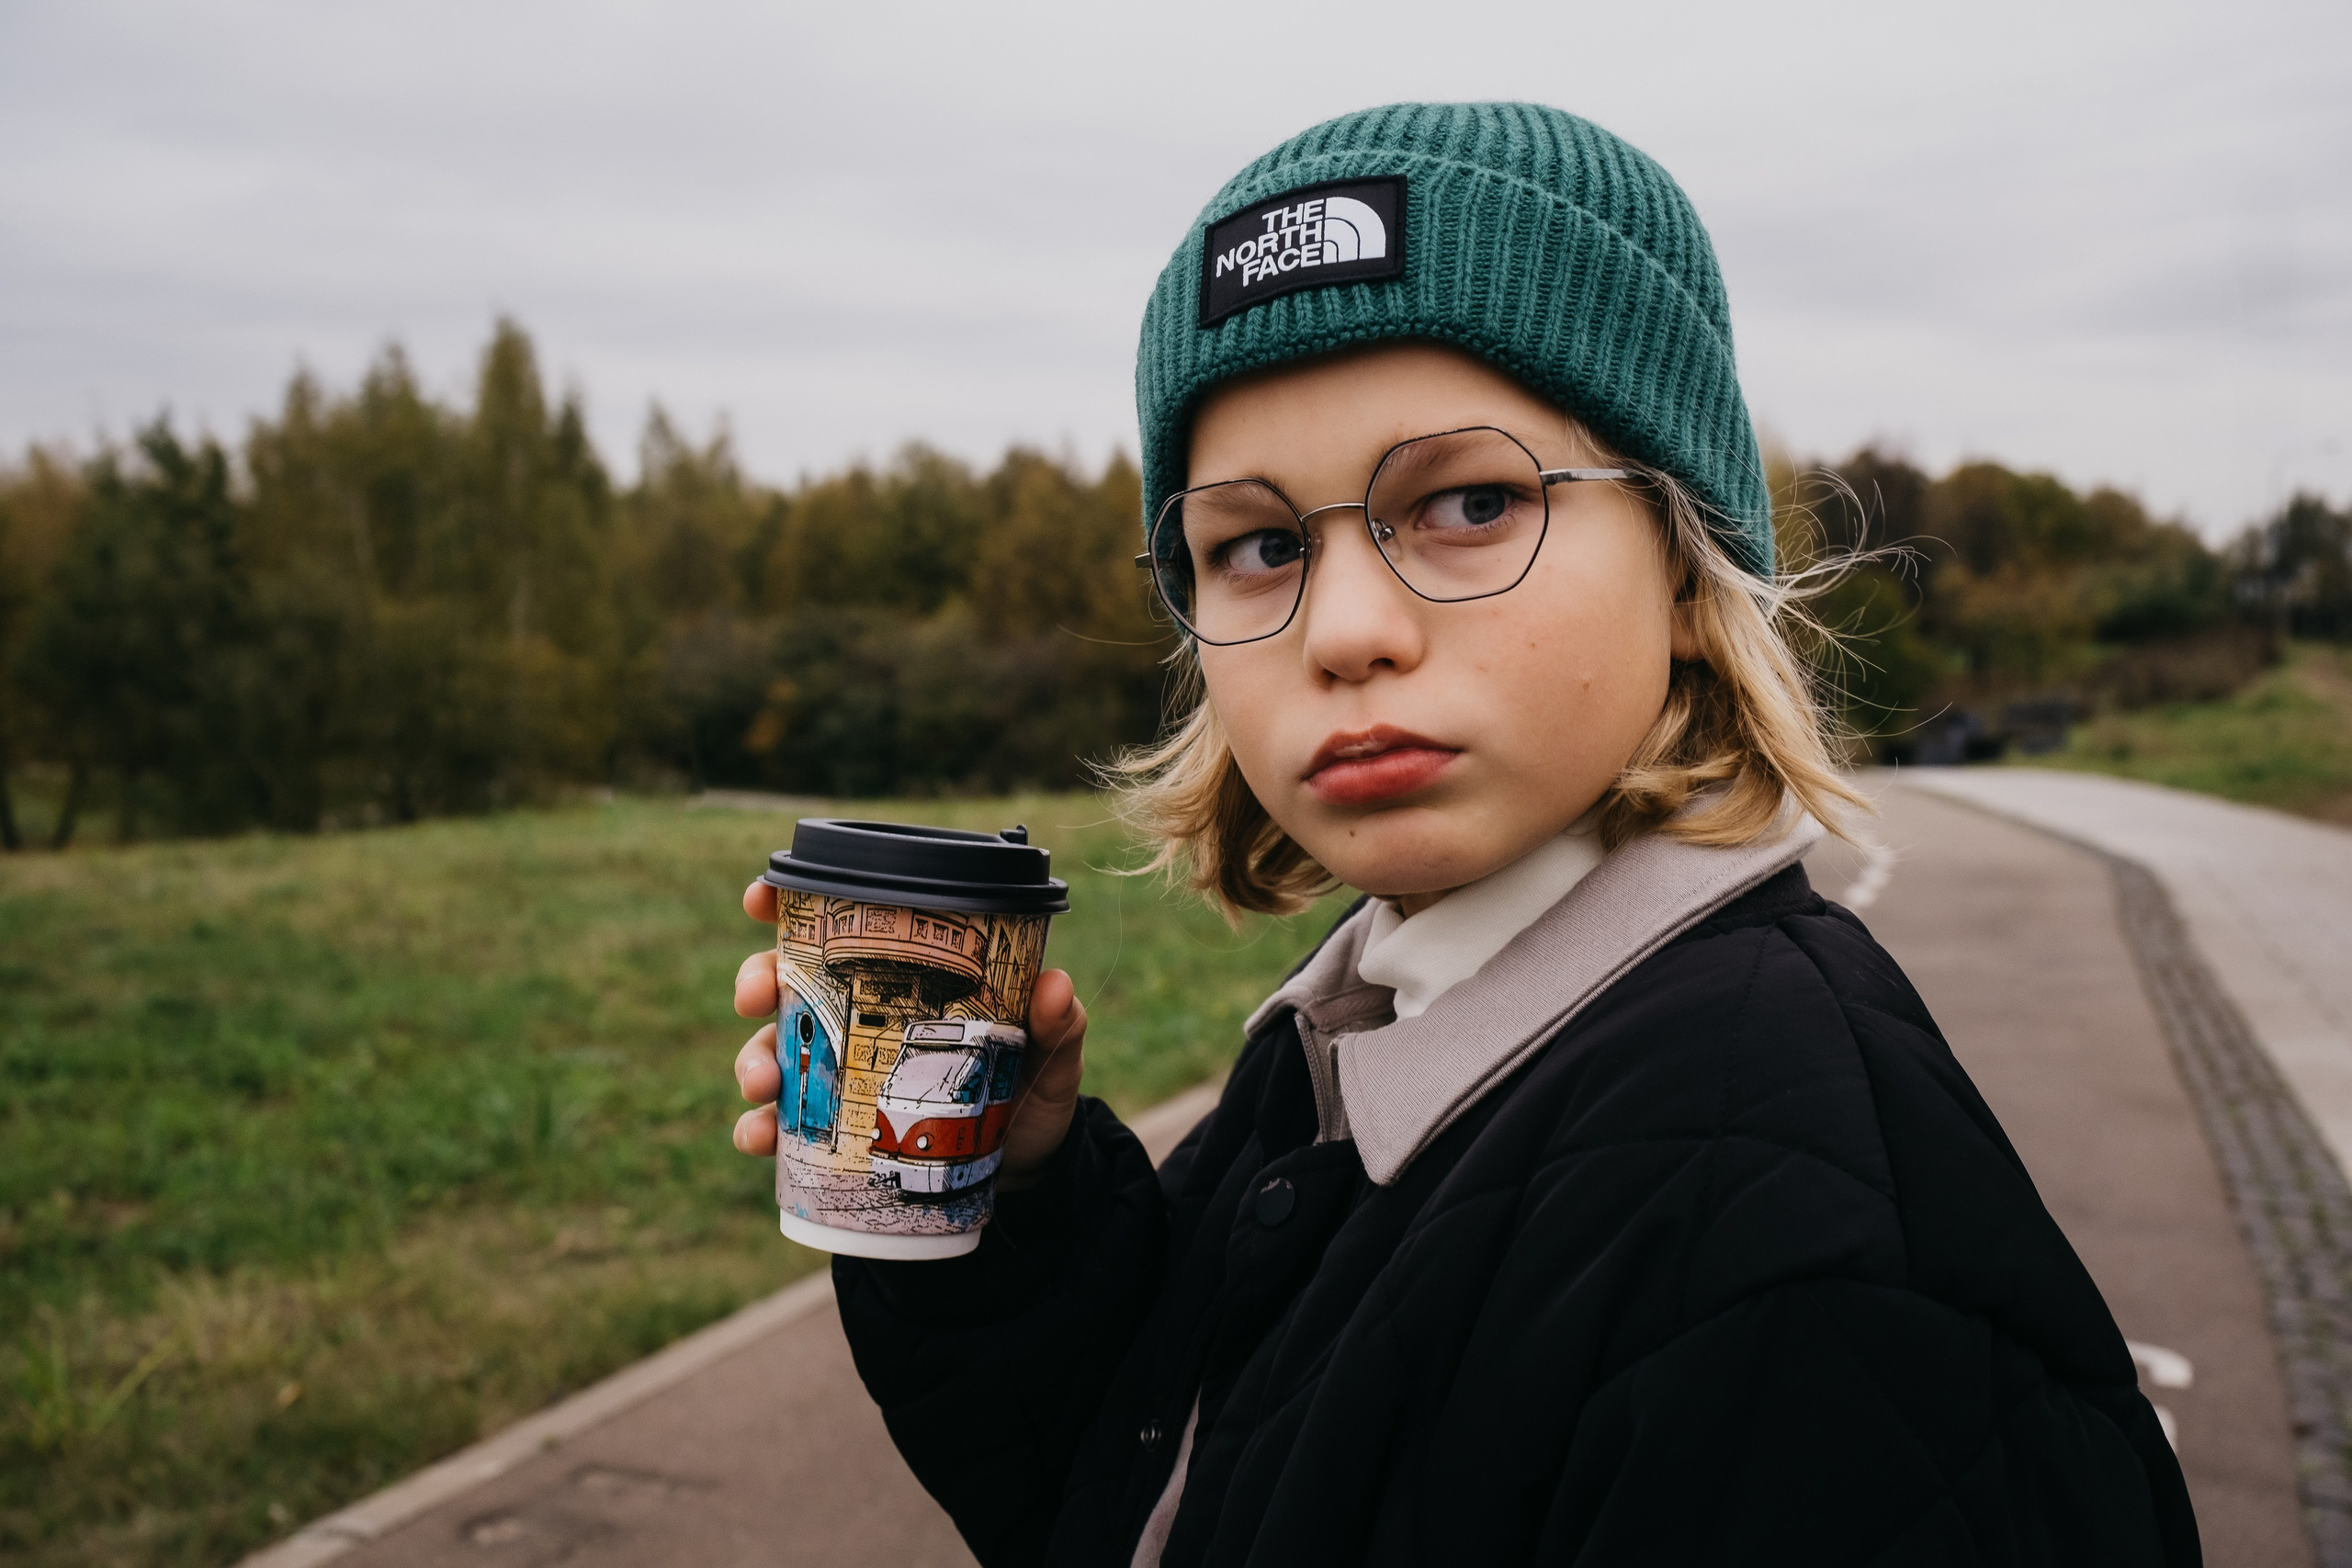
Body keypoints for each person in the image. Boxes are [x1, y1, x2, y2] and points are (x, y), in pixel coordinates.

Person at [728, 102, 2199, 1566]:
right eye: (1256, 546)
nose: (1347, 631)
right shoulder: (1366, 1018)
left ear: (1690, 570)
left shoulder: (1802, 1244)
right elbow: (1159, 1492)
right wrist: (1014, 1208)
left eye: (1472, 503)